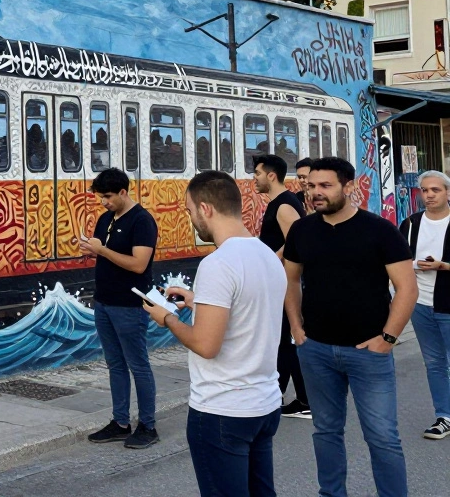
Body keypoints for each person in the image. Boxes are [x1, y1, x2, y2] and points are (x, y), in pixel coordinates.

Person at [144, 171, 286, 497]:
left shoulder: (217, 263)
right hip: (264, 404)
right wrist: (198, 302)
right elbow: (248, 311)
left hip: (223, 410)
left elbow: (206, 346)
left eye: (189, 210)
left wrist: (167, 318)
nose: (190, 218)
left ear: (206, 209)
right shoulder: (267, 255)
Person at [284, 157, 417, 497]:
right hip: (315, 351)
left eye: (324, 186)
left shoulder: (379, 230)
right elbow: (290, 279)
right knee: (326, 432)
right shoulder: (302, 230)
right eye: (311, 186)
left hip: (368, 353)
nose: (315, 193)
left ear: (348, 187)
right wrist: (297, 328)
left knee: (383, 437)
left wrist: (388, 338)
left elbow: (407, 287)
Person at [82, 167, 160, 449]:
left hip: (129, 304)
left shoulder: (142, 221)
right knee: (115, 364)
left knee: (138, 365)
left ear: (124, 192)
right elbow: (106, 255)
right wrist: (91, 250)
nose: (103, 202)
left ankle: (148, 425)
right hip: (104, 301)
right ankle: (120, 422)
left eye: (108, 197)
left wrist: (101, 250)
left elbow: (138, 264)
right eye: (101, 197)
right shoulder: (105, 219)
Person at [252, 154, 310, 419]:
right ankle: (286, 396)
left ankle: (303, 399)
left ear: (271, 176)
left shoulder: (284, 205)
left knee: (287, 340)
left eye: (257, 174)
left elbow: (296, 242)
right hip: (280, 280)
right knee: (283, 341)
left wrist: (269, 258)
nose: (254, 179)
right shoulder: (279, 203)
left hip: (286, 282)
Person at [398, 170, 450, 440]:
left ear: (447, 193)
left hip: (448, 304)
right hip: (421, 304)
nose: (428, 195)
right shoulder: (410, 223)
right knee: (434, 363)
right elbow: (396, 259)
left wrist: (443, 266)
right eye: (425, 191)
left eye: (435, 190)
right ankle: (444, 416)